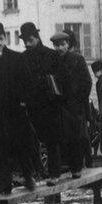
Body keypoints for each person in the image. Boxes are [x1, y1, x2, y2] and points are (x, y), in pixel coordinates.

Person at [0, 22, 36, 194]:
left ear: (5, 38)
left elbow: (27, 82)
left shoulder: (17, 58)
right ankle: (5, 184)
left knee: (22, 146)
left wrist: (24, 102)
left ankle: (29, 178)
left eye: (1, 39)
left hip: (16, 112)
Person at [20, 21, 64, 183]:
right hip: (32, 106)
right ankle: (37, 172)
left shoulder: (51, 55)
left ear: (36, 37)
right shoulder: (23, 58)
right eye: (24, 40)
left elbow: (59, 81)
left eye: (30, 39)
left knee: (52, 141)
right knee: (31, 140)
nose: (27, 43)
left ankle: (54, 174)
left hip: (49, 104)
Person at [51, 31, 92, 178]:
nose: (60, 48)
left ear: (68, 44)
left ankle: (76, 168)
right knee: (63, 137)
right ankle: (67, 167)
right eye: (57, 45)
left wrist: (79, 100)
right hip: (60, 105)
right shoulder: (53, 61)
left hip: (74, 106)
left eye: (62, 44)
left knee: (76, 138)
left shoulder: (77, 59)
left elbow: (87, 82)